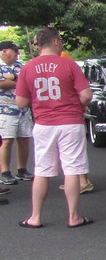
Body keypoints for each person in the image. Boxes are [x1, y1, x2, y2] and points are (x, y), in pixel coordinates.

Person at [14, 27, 93, 228]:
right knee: (71, 169)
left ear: (39, 45)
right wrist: (76, 105)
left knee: (41, 169)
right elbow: (86, 95)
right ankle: (74, 216)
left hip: (44, 123)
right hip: (70, 122)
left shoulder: (27, 68)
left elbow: (21, 101)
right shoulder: (69, 64)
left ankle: (35, 217)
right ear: (56, 41)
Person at [0, 40, 33, 187]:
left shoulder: (21, 66)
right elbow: (2, 84)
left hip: (23, 109)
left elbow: (28, 82)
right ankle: (5, 172)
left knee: (24, 138)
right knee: (6, 141)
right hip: (5, 110)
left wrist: (11, 80)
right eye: (15, 50)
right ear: (4, 51)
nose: (17, 53)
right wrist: (15, 81)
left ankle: (22, 169)